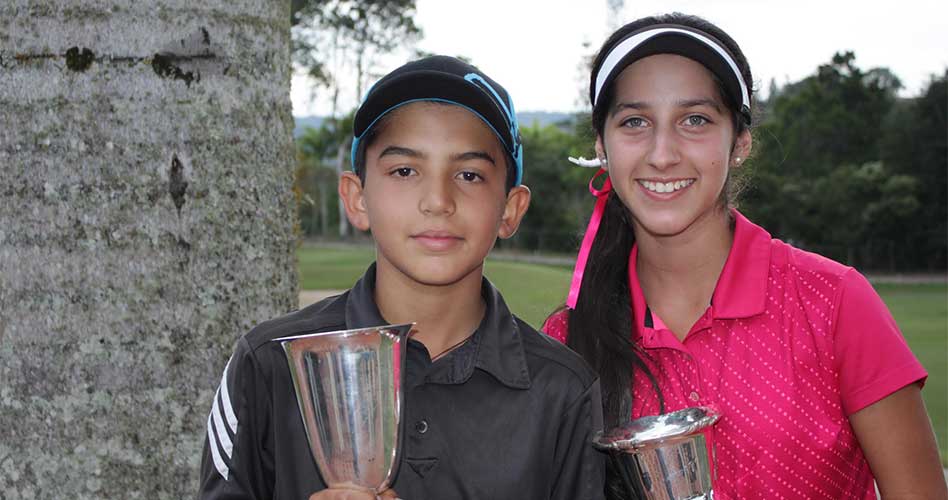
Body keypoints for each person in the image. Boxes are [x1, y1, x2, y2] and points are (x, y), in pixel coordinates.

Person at [542, 13, 947, 500]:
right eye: (634, 121)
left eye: (695, 120)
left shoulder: (834, 303)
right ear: (602, 147)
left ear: (740, 143)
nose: (663, 153)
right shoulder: (568, 340)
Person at [198, 55, 606, 500]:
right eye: (404, 171)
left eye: (469, 174)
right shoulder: (269, 366)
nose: (437, 200)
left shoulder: (563, 391)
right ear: (356, 198)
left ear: (510, 210)